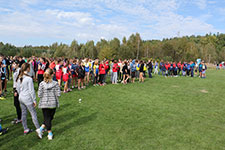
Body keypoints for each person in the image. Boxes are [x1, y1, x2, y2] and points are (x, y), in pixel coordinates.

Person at [16, 63, 42, 138]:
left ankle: (25, 129)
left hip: (21, 98)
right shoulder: (28, 78)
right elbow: (31, 91)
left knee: (24, 113)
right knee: (33, 114)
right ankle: (38, 129)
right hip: (27, 99)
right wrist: (34, 100)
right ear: (27, 68)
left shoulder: (19, 77)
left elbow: (17, 89)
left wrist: (21, 94)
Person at [38, 68, 61, 140]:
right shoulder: (56, 83)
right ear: (52, 75)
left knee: (48, 118)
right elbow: (58, 94)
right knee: (48, 118)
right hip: (52, 103)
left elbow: (39, 94)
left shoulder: (41, 84)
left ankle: (40, 129)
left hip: (44, 103)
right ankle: (49, 133)